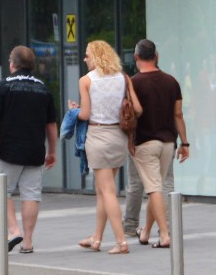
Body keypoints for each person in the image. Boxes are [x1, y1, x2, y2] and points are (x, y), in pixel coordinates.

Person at [0, 46, 59, 254]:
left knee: (1, 190)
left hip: (8, 150)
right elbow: (51, 125)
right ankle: (28, 242)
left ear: (13, 64)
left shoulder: (3, 87)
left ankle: (14, 230)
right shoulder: (44, 89)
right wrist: (52, 151)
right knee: (31, 195)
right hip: (35, 151)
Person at [76, 40, 141, 255]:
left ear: (96, 56)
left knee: (107, 191)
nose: (85, 59)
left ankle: (121, 241)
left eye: (87, 55)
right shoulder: (123, 78)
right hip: (119, 137)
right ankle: (96, 238)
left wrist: (73, 111)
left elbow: (85, 114)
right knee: (102, 190)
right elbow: (138, 108)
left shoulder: (86, 81)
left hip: (98, 135)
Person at [126, 39, 189, 248]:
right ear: (156, 56)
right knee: (158, 187)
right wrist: (185, 143)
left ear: (136, 57)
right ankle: (145, 232)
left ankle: (164, 234)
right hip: (168, 143)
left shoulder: (133, 83)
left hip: (144, 142)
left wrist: (129, 140)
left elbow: (129, 114)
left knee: (153, 189)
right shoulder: (172, 82)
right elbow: (178, 114)